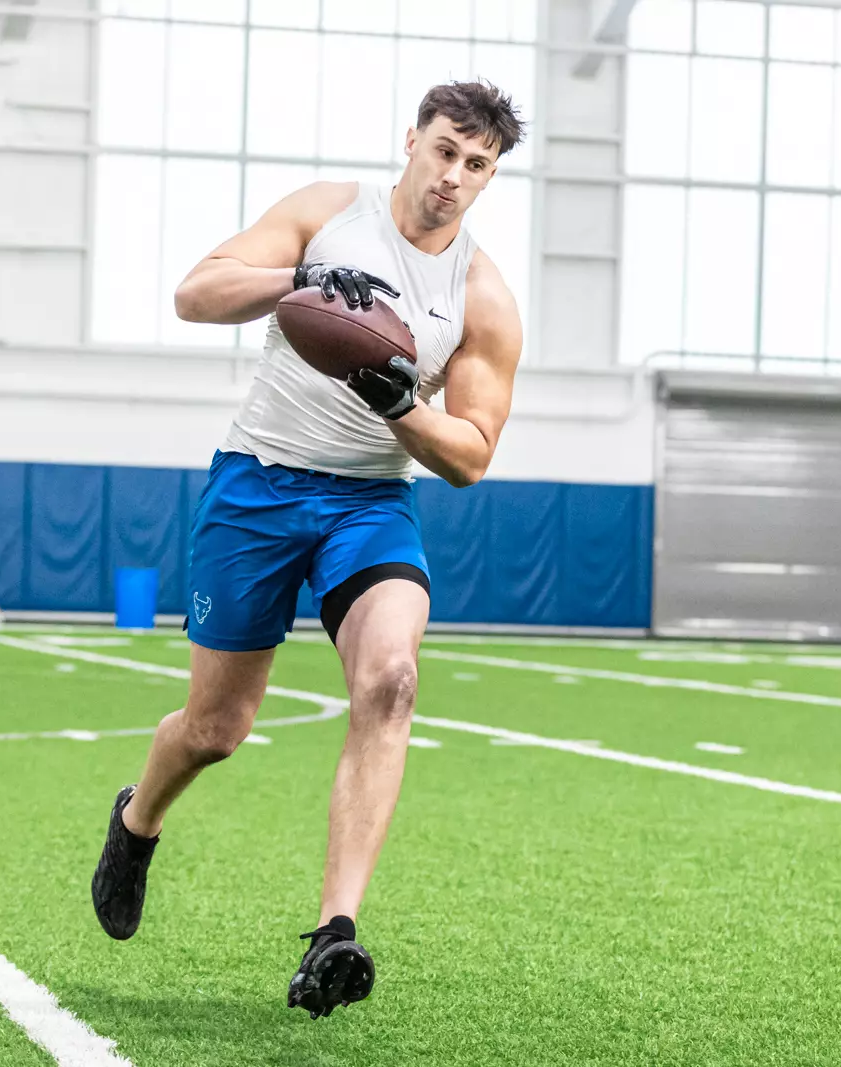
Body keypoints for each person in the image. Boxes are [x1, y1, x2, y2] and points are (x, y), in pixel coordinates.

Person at [90, 81, 526, 1019]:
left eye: (478, 165)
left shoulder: (480, 296)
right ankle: (137, 822)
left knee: (391, 680)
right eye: (445, 150)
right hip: (258, 481)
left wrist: (400, 401)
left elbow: (472, 458)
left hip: (371, 501)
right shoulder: (330, 216)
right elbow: (193, 294)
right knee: (216, 731)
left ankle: (335, 932)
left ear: (491, 178)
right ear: (411, 141)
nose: (454, 176)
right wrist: (305, 285)